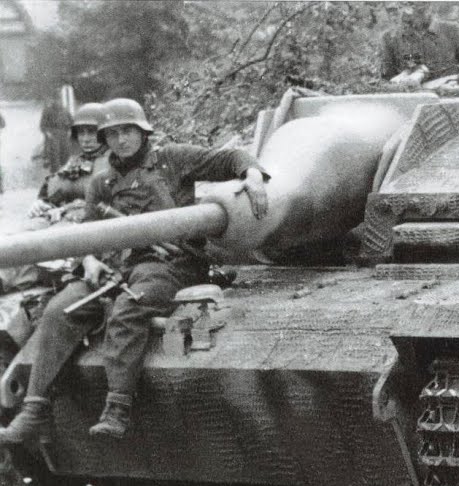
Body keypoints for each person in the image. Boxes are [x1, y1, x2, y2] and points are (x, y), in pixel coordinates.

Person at [0, 97, 269, 442]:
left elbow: (230, 158)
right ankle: (34, 411)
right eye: (111, 134)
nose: (120, 140)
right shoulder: (101, 183)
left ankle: (117, 408)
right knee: (59, 309)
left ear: (143, 132)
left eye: (127, 131)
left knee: (129, 308)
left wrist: (254, 176)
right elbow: (86, 236)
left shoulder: (172, 160)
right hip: (115, 269)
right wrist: (90, 260)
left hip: (169, 266)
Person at [0, 103, 110, 295]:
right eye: (81, 133)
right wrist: (42, 202)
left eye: (91, 133)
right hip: (58, 215)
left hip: (87, 222)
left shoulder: (114, 162)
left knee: (44, 243)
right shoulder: (76, 160)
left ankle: (9, 280)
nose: (85, 139)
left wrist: (76, 208)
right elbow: (56, 186)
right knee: (23, 233)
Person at [380, 2, 459, 84]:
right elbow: (387, 77)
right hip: (411, 97)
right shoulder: (391, 37)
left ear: (429, 6)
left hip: (450, 96)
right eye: (404, 6)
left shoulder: (452, 30)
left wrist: (458, 80)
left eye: (415, 6)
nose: (408, 13)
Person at [39, 97, 73, 174]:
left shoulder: (65, 110)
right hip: (53, 135)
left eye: (59, 99)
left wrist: (70, 130)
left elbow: (71, 121)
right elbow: (42, 125)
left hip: (64, 134)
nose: (58, 101)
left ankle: (65, 171)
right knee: (54, 155)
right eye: (56, 99)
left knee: (66, 154)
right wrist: (47, 133)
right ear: (53, 100)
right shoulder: (47, 111)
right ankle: (54, 173)